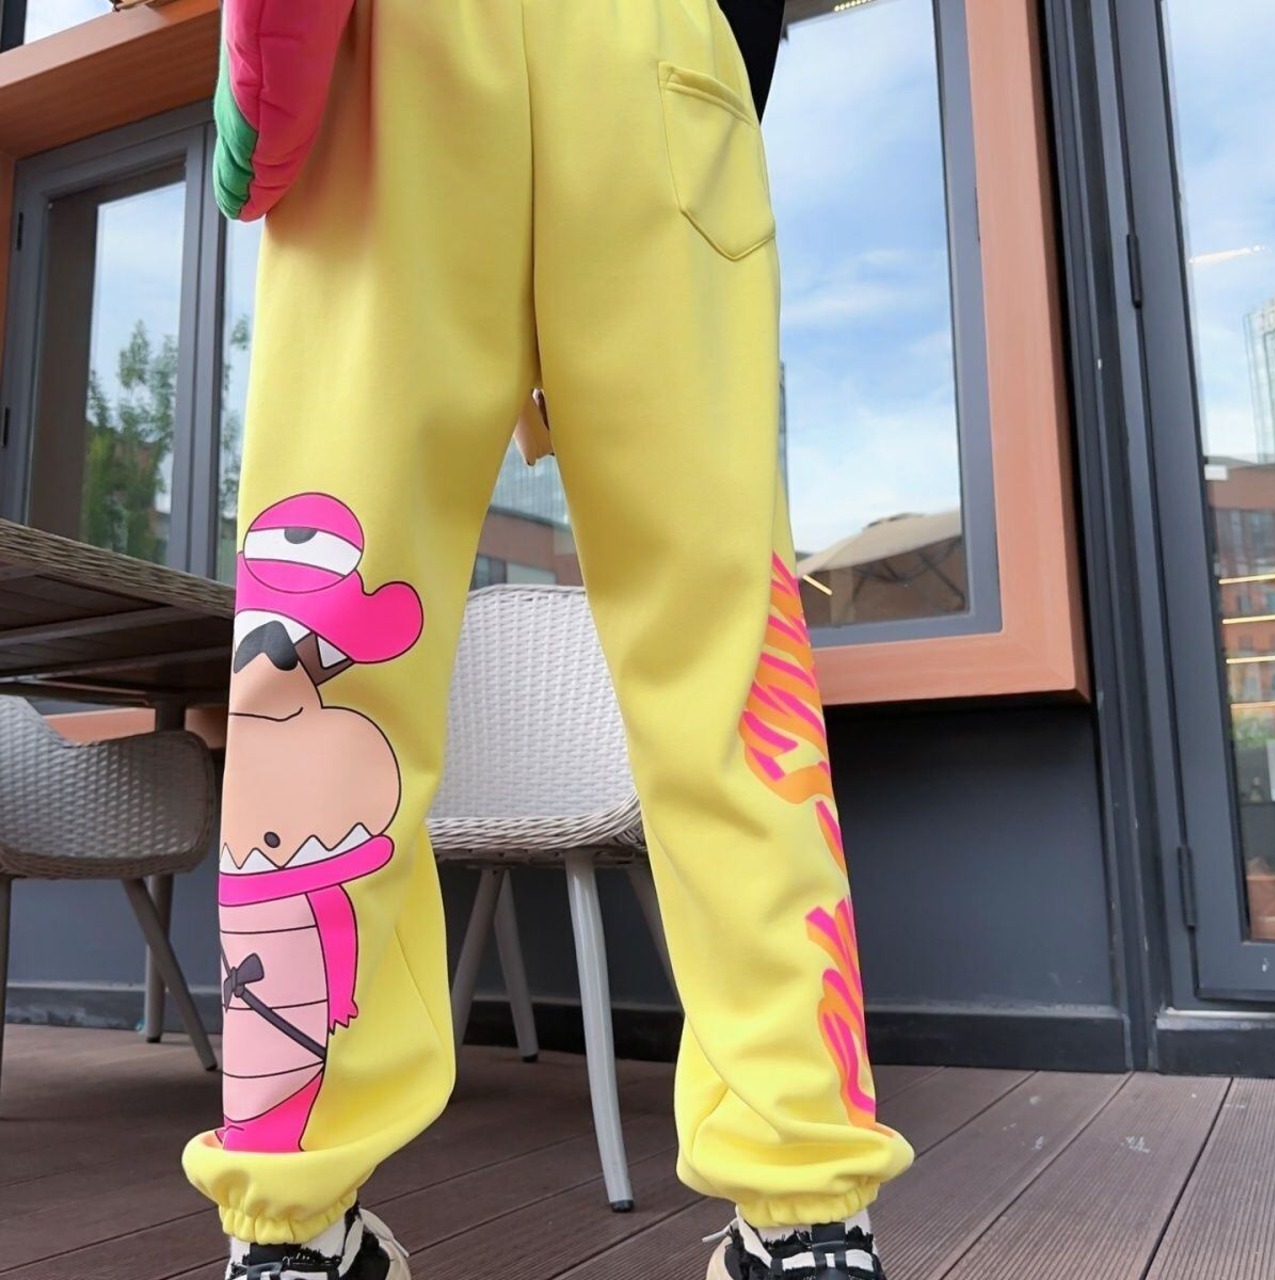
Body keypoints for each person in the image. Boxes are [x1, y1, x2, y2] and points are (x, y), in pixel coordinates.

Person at [185, 2, 915, 1277]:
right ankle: (806, 1212)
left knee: (317, 653)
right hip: (652, 49)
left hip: (392, 59)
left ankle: (292, 1227)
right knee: (726, 665)